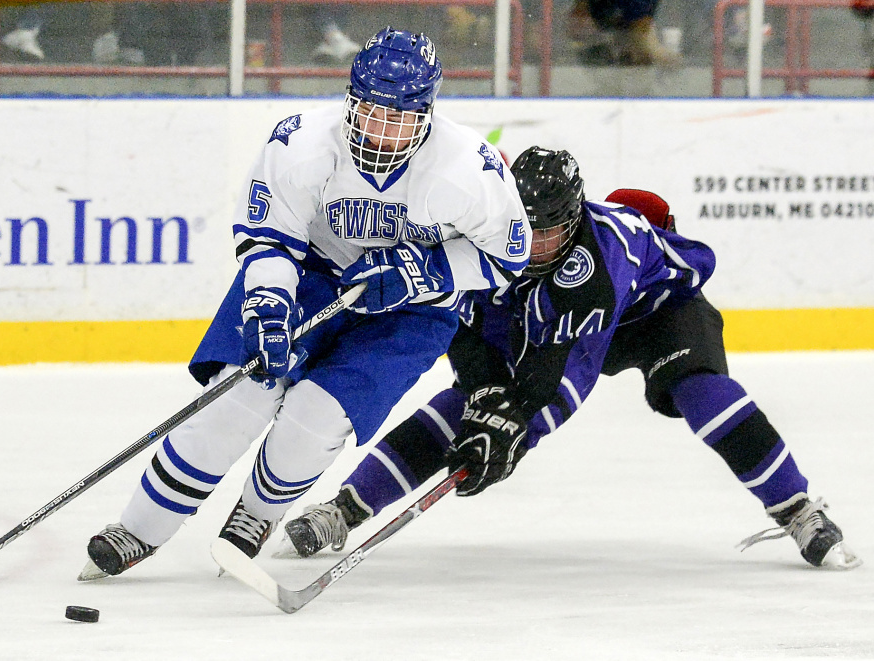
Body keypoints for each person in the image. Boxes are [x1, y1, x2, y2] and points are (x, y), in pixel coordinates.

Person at [77, 26, 530, 580]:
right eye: (371, 111)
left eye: (400, 117)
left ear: (427, 112)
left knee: (316, 420)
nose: (382, 130)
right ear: (351, 97)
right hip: (312, 272)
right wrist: (267, 309)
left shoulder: (469, 168)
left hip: (416, 309)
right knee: (239, 398)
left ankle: (255, 514)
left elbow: (507, 256)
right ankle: (140, 528)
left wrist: (424, 272)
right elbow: (272, 239)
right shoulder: (301, 143)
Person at [280, 146, 862, 572]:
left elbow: (565, 378)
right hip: (540, 313)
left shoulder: (596, 264)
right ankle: (344, 511)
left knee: (701, 391)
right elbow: (459, 326)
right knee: (461, 406)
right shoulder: (481, 229)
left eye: (549, 231)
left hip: (654, 314)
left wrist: (515, 434)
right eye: (523, 228)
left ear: (574, 217)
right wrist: (485, 397)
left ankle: (798, 508)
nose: (532, 245)